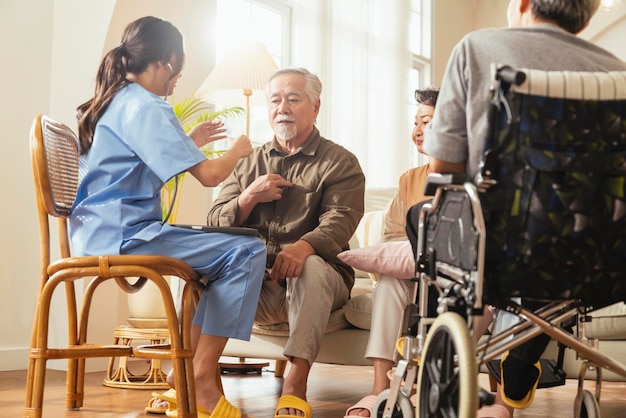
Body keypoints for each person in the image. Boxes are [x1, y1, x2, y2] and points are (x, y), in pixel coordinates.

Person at [418, 1, 626, 417]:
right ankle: (521, 361)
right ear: (587, 15)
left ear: (524, 4)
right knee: (558, 244)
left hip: (497, 247)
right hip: (600, 259)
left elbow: (443, 164)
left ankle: (457, 345)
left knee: (429, 217)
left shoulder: (478, 47)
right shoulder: (617, 75)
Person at [71, 16, 266, 418]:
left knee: (224, 258)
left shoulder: (114, 99)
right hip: (128, 234)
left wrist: (190, 142)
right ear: (164, 62)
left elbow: (136, 166)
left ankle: (187, 375)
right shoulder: (147, 105)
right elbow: (210, 175)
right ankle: (201, 378)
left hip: (95, 233)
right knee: (248, 250)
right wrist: (238, 149)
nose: (176, 81)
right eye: (177, 70)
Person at [207, 67, 366, 418]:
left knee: (309, 264)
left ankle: (294, 385)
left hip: (318, 281)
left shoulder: (341, 162)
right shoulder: (247, 162)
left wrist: (303, 246)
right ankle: (198, 382)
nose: (283, 108)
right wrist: (247, 198)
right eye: (275, 100)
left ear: (315, 106)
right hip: (257, 286)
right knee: (199, 264)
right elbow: (215, 219)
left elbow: (341, 220)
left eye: (294, 99)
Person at [344, 87, 439, 417]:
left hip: (457, 278)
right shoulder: (410, 180)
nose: (417, 131)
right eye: (415, 122)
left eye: (426, 121)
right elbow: (392, 235)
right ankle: (379, 388)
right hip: (415, 274)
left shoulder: (473, 177)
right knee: (387, 283)